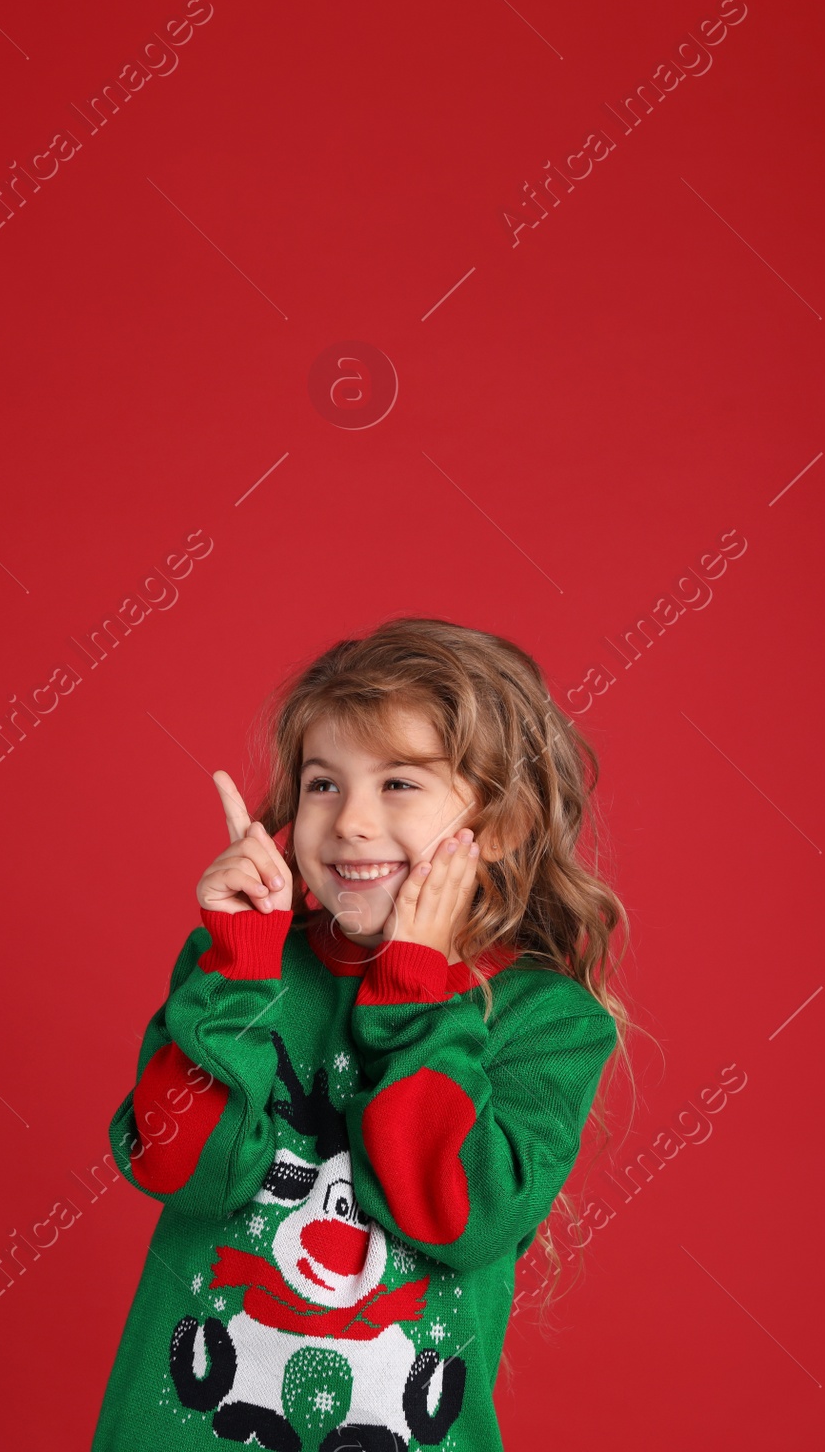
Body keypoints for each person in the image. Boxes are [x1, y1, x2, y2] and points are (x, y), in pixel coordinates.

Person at [91, 618, 628, 1452]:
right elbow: (179, 1169)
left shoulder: (546, 1022)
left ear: (507, 825)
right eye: (323, 784)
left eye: (399, 785)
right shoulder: (239, 965)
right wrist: (236, 975)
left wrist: (417, 985)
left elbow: (454, 1216)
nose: (349, 822)